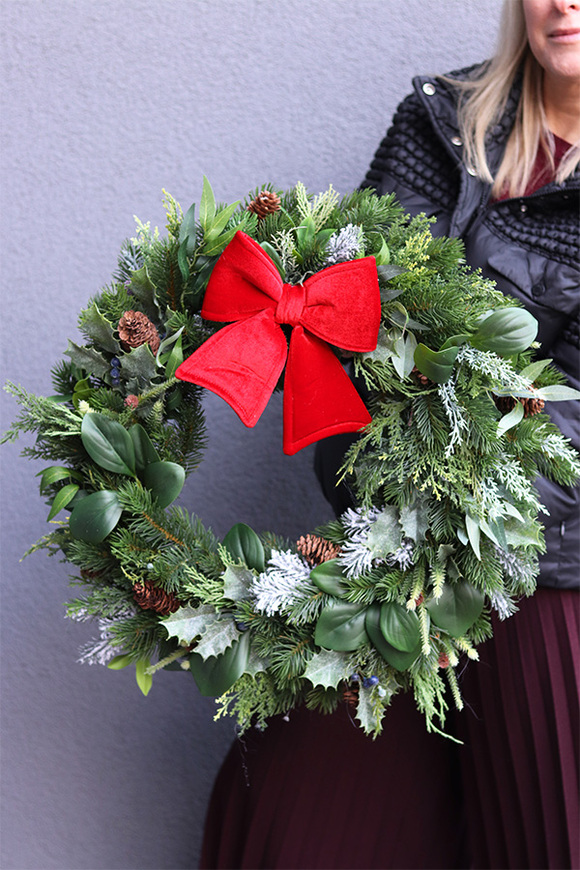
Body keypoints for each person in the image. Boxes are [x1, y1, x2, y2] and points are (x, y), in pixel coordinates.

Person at [201, 1, 579, 866]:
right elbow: (352, 311)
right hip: (390, 543)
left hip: (548, 567)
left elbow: (574, 428)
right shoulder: (443, 121)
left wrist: (447, 516)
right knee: (286, 820)